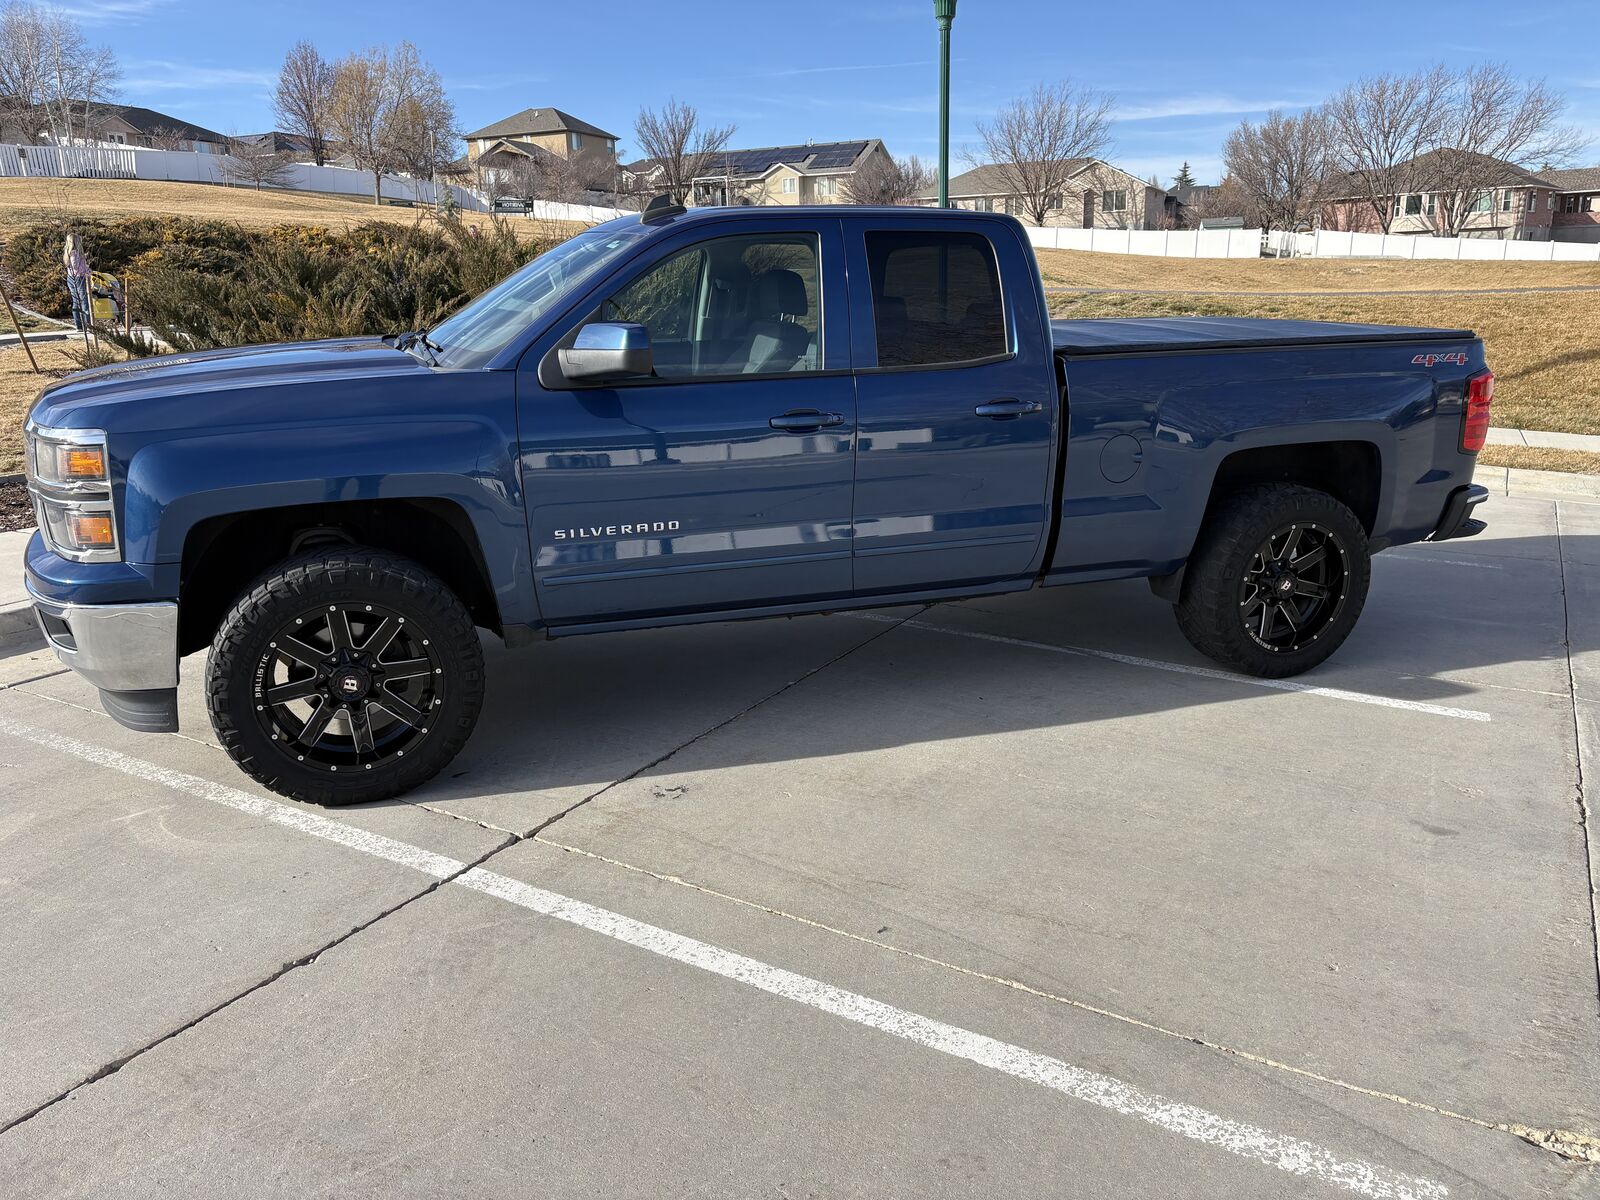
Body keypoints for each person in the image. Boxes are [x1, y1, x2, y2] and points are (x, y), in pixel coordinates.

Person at [63, 232, 91, 331]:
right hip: (79, 278)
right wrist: (87, 271)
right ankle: (87, 325)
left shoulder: (67, 253)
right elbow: (76, 266)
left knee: (76, 301)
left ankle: (79, 325)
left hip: (71, 278)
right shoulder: (75, 253)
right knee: (84, 302)